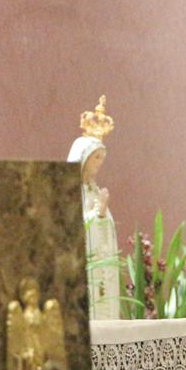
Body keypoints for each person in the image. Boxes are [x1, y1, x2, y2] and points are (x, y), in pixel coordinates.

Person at [67, 134, 121, 320]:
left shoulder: (95, 191)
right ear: (83, 158)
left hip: (102, 267)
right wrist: (97, 214)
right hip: (84, 271)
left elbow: (107, 230)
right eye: (96, 157)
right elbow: (70, 230)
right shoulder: (70, 192)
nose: (100, 163)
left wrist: (103, 216)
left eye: (102, 158)